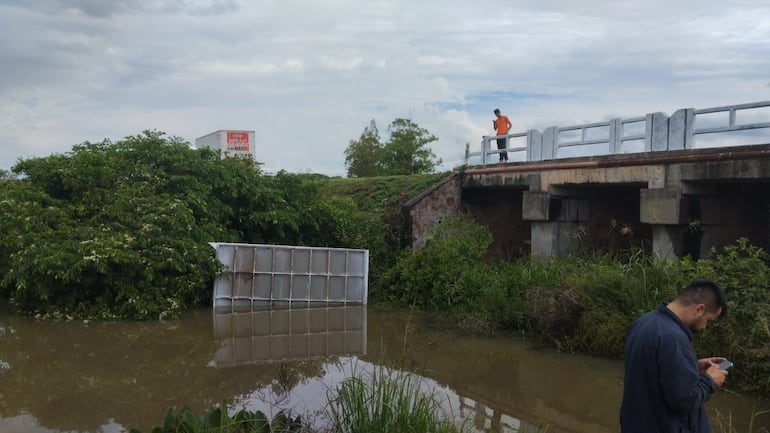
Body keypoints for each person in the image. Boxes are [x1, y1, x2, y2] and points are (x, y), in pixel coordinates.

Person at [620, 278, 729, 433]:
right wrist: (710, 381)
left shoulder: (644, 322)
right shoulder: (673, 337)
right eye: (708, 320)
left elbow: (651, 370)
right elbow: (685, 400)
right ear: (699, 309)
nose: (705, 327)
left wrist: (692, 366)